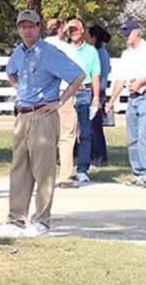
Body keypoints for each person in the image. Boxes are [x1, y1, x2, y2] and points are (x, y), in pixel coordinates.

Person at [0, 9, 84, 239]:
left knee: (42, 169)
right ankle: (15, 219)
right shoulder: (19, 51)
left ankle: (41, 220)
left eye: (31, 26)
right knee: (19, 168)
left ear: (39, 27)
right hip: (22, 114)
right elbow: (11, 72)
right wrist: (19, 90)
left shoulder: (49, 52)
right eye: (23, 26)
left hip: (43, 115)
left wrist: (60, 102)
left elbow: (78, 75)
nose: (27, 30)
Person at [106, 19, 146, 186]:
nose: (126, 36)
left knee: (143, 135)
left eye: (128, 32)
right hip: (132, 97)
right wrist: (111, 101)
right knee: (132, 136)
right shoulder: (127, 54)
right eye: (124, 33)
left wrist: (140, 82)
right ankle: (137, 172)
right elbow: (120, 78)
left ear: (137, 32)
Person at [44, 18, 81, 187]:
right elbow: (79, 75)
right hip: (63, 96)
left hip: (42, 96)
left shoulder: (38, 47)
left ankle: (44, 175)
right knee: (66, 135)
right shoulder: (67, 49)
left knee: (45, 137)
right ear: (60, 30)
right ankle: (65, 176)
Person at [64, 18, 101, 187]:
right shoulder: (64, 48)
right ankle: (66, 168)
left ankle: (82, 169)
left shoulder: (91, 51)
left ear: (82, 30)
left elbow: (95, 74)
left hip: (85, 92)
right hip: (68, 93)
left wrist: (96, 97)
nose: (73, 33)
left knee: (85, 132)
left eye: (76, 29)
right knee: (67, 133)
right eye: (70, 30)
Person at [86, 24, 113, 167]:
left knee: (94, 126)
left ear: (93, 37)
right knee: (94, 125)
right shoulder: (103, 52)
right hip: (99, 89)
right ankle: (96, 154)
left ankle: (100, 155)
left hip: (96, 90)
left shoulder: (98, 53)